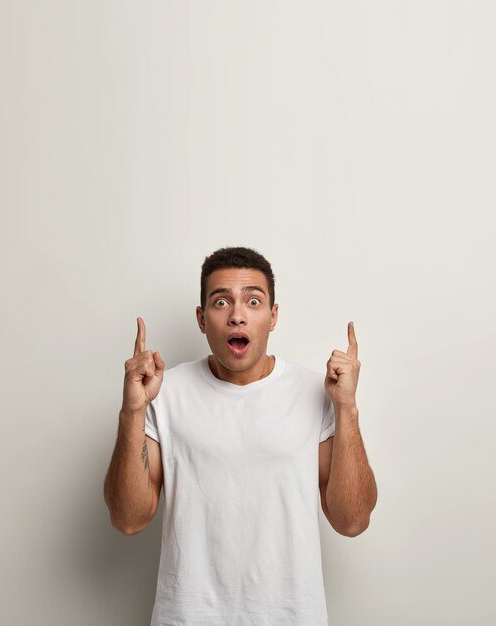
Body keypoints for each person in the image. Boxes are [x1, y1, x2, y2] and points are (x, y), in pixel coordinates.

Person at [103, 246, 377, 626]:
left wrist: (346, 409)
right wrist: (132, 411)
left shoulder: (318, 393)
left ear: (273, 315)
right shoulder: (163, 392)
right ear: (201, 319)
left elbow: (352, 521)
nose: (237, 315)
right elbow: (128, 519)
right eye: (220, 302)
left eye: (253, 301)